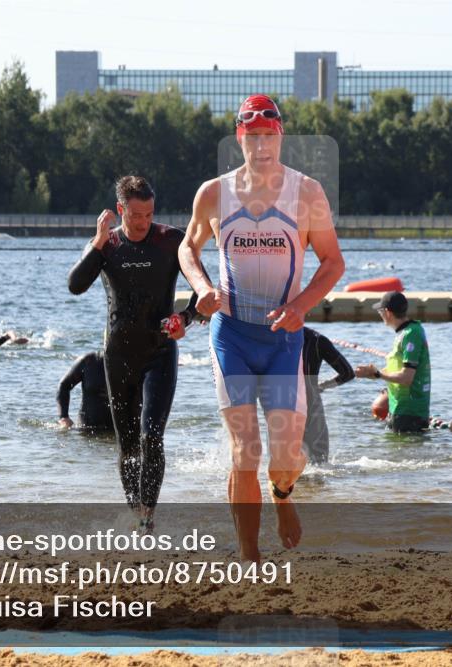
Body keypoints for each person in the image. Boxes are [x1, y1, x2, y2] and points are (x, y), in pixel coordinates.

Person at [178, 94, 345, 562]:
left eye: (269, 136)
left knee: (286, 460)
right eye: (252, 137)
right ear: (240, 138)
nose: (261, 145)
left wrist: (300, 306)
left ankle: (284, 496)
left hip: (283, 340)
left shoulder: (307, 193)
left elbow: (333, 263)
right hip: (231, 334)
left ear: (280, 137)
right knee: (244, 450)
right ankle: (248, 555)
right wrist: (202, 288)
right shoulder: (213, 193)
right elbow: (188, 249)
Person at [68, 175, 198, 531]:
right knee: (127, 446)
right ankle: (134, 509)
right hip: (119, 355)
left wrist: (185, 317)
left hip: (160, 351)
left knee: (151, 435)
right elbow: (75, 285)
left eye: (149, 214)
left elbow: (200, 288)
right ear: (121, 210)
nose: (143, 222)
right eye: (136, 215)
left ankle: (147, 519)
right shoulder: (107, 245)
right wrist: (96, 244)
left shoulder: (171, 240)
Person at [354, 291, 431, 433]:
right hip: (400, 409)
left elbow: (407, 378)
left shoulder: (410, 334)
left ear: (387, 312)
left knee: (404, 453)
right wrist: (371, 373)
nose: (380, 315)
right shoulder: (406, 332)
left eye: (380, 311)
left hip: (408, 412)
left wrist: (378, 374)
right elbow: (397, 369)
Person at [301, 327, 354, 464]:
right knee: (320, 466)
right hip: (311, 403)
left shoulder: (272, 338)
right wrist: (321, 387)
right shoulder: (317, 340)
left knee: (283, 468)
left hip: (281, 405)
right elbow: (347, 373)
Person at [58, 351, 114, 435]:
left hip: (118, 432)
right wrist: (64, 417)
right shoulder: (89, 361)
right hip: (86, 430)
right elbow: (64, 385)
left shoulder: (130, 364)